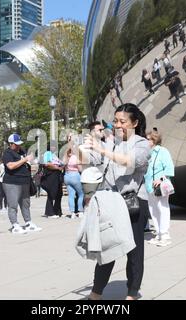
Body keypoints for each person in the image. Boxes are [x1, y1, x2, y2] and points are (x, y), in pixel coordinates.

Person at [79, 103, 151, 301]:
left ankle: (132, 294)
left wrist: (102, 151)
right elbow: (91, 161)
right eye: (115, 121)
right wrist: (84, 146)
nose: (117, 125)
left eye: (122, 121)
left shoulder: (142, 143)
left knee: (134, 250)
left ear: (134, 123)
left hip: (133, 202)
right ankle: (96, 294)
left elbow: (129, 162)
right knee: (106, 248)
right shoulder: (111, 143)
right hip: (110, 202)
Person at [2, 133, 41, 234]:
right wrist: (24, 159)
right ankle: (15, 224)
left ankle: (28, 223)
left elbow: (27, 162)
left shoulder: (22, 151)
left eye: (19, 143)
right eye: (16, 144)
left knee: (25, 204)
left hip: (25, 181)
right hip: (12, 182)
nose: (18, 145)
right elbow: (10, 166)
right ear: (10, 144)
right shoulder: (7, 153)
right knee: (13, 204)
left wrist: (30, 160)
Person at [144, 130, 175, 246]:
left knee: (162, 208)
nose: (146, 141)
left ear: (154, 140)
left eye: (148, 139)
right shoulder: (148, 153)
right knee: (153, 210)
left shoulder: (162, 151)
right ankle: (159, 233)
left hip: (160, 186)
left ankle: (165, 235)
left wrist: (160, 179)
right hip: (149, 186)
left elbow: (169, 167)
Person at [41, 142, 64, 218]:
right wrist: (57, 167)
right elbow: (47, 164)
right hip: (50, 175)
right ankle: (49, 212)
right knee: (51, 193)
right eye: (52, 146)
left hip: (57, 175)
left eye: (55, 146)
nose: (54, 148)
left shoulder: (54, 155)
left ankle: (57, 211)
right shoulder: (47, 153)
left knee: (59, 193)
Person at [63, 147, 84, 219]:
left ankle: (72, 213)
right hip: (75, 176)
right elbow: (80, 169)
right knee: (81, 194)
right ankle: (80, 211)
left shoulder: (66, 158)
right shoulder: (76, 157)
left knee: (71, 196)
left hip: (67, 176)